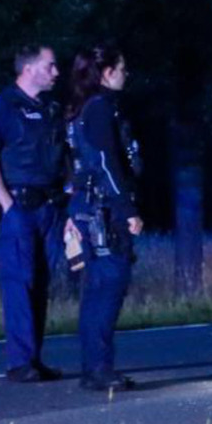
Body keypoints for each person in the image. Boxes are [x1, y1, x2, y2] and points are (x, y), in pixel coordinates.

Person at [0, 44, 67, 382]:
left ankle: (34, 357)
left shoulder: (53, 109)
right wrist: (7, 205)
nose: (57, 72)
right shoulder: (1, 107)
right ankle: (19, 362)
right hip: (19, 204)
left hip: (50, 206)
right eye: (50, 66)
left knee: (41, 284)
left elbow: (64, 159)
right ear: (29, 69)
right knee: (18, 283)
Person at [64, 43, 144, 392]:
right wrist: (127, 210)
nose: (126, 75)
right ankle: (99, 369)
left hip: (88, 207)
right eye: (123, 68)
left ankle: (94, 367)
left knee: (97, 290)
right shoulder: (99, 109)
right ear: (108, 72)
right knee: (108, 287)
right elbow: (106, 162)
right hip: (103, 213)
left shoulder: (82, 108)